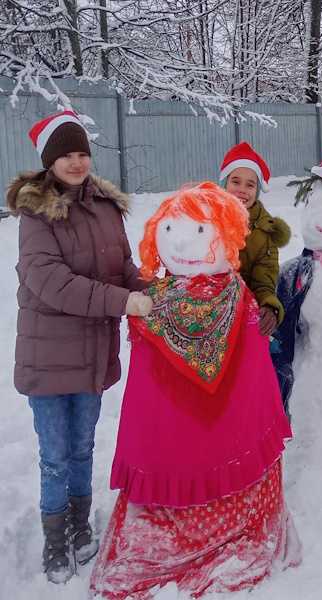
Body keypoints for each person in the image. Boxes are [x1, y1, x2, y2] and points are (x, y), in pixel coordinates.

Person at [90, 183, 300, 599]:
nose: (183, 241)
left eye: (200, 232)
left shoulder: (231, 299)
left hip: (220, 428)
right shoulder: (156, 302)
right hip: (176, 435)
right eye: (170, 230)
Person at [7, 110, 152, 584]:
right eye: (66, 154)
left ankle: (80, 521)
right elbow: (51, 282)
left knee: (84, 444)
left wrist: (154, 290)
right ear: (50, 161)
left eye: (82, 153)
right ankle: (55, 535)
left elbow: (123, 268)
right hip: (49, 355)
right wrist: (123, 301)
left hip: (91, 350)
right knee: (55, 452)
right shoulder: (36, 214)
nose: (76, 162)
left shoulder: (107, 208)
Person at [219, 142, 290, 336]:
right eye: (235, 181)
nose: (242, 189)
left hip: (243, 317)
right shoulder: (205, 219)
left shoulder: (265, 233)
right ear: (224, 183)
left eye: (250, 185)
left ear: (257, 190)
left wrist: (269, 306)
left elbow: (264, 282)